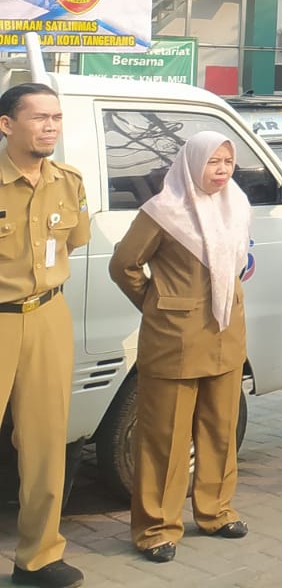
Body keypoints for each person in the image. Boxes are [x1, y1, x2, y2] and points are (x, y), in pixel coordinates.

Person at [109, 132, 252, 563]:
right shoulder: (163, 211)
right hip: (176, 339)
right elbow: (124, 265)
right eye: (213, 162)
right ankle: (156, 528)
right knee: (165, 437)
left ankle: (215, 510)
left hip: (226, 336)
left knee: (221, 429)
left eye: (228, 161)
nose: (222, 170)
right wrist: (158, 303)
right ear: (192, 164)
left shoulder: (237, 205)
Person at [0, 84, 90, 588]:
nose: (50, 126)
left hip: (47, 316)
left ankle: (37, 559)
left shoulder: (68, 181)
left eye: (56, 117)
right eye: (38, 117)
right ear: (7, 124)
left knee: (45, 442)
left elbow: (72, 244)